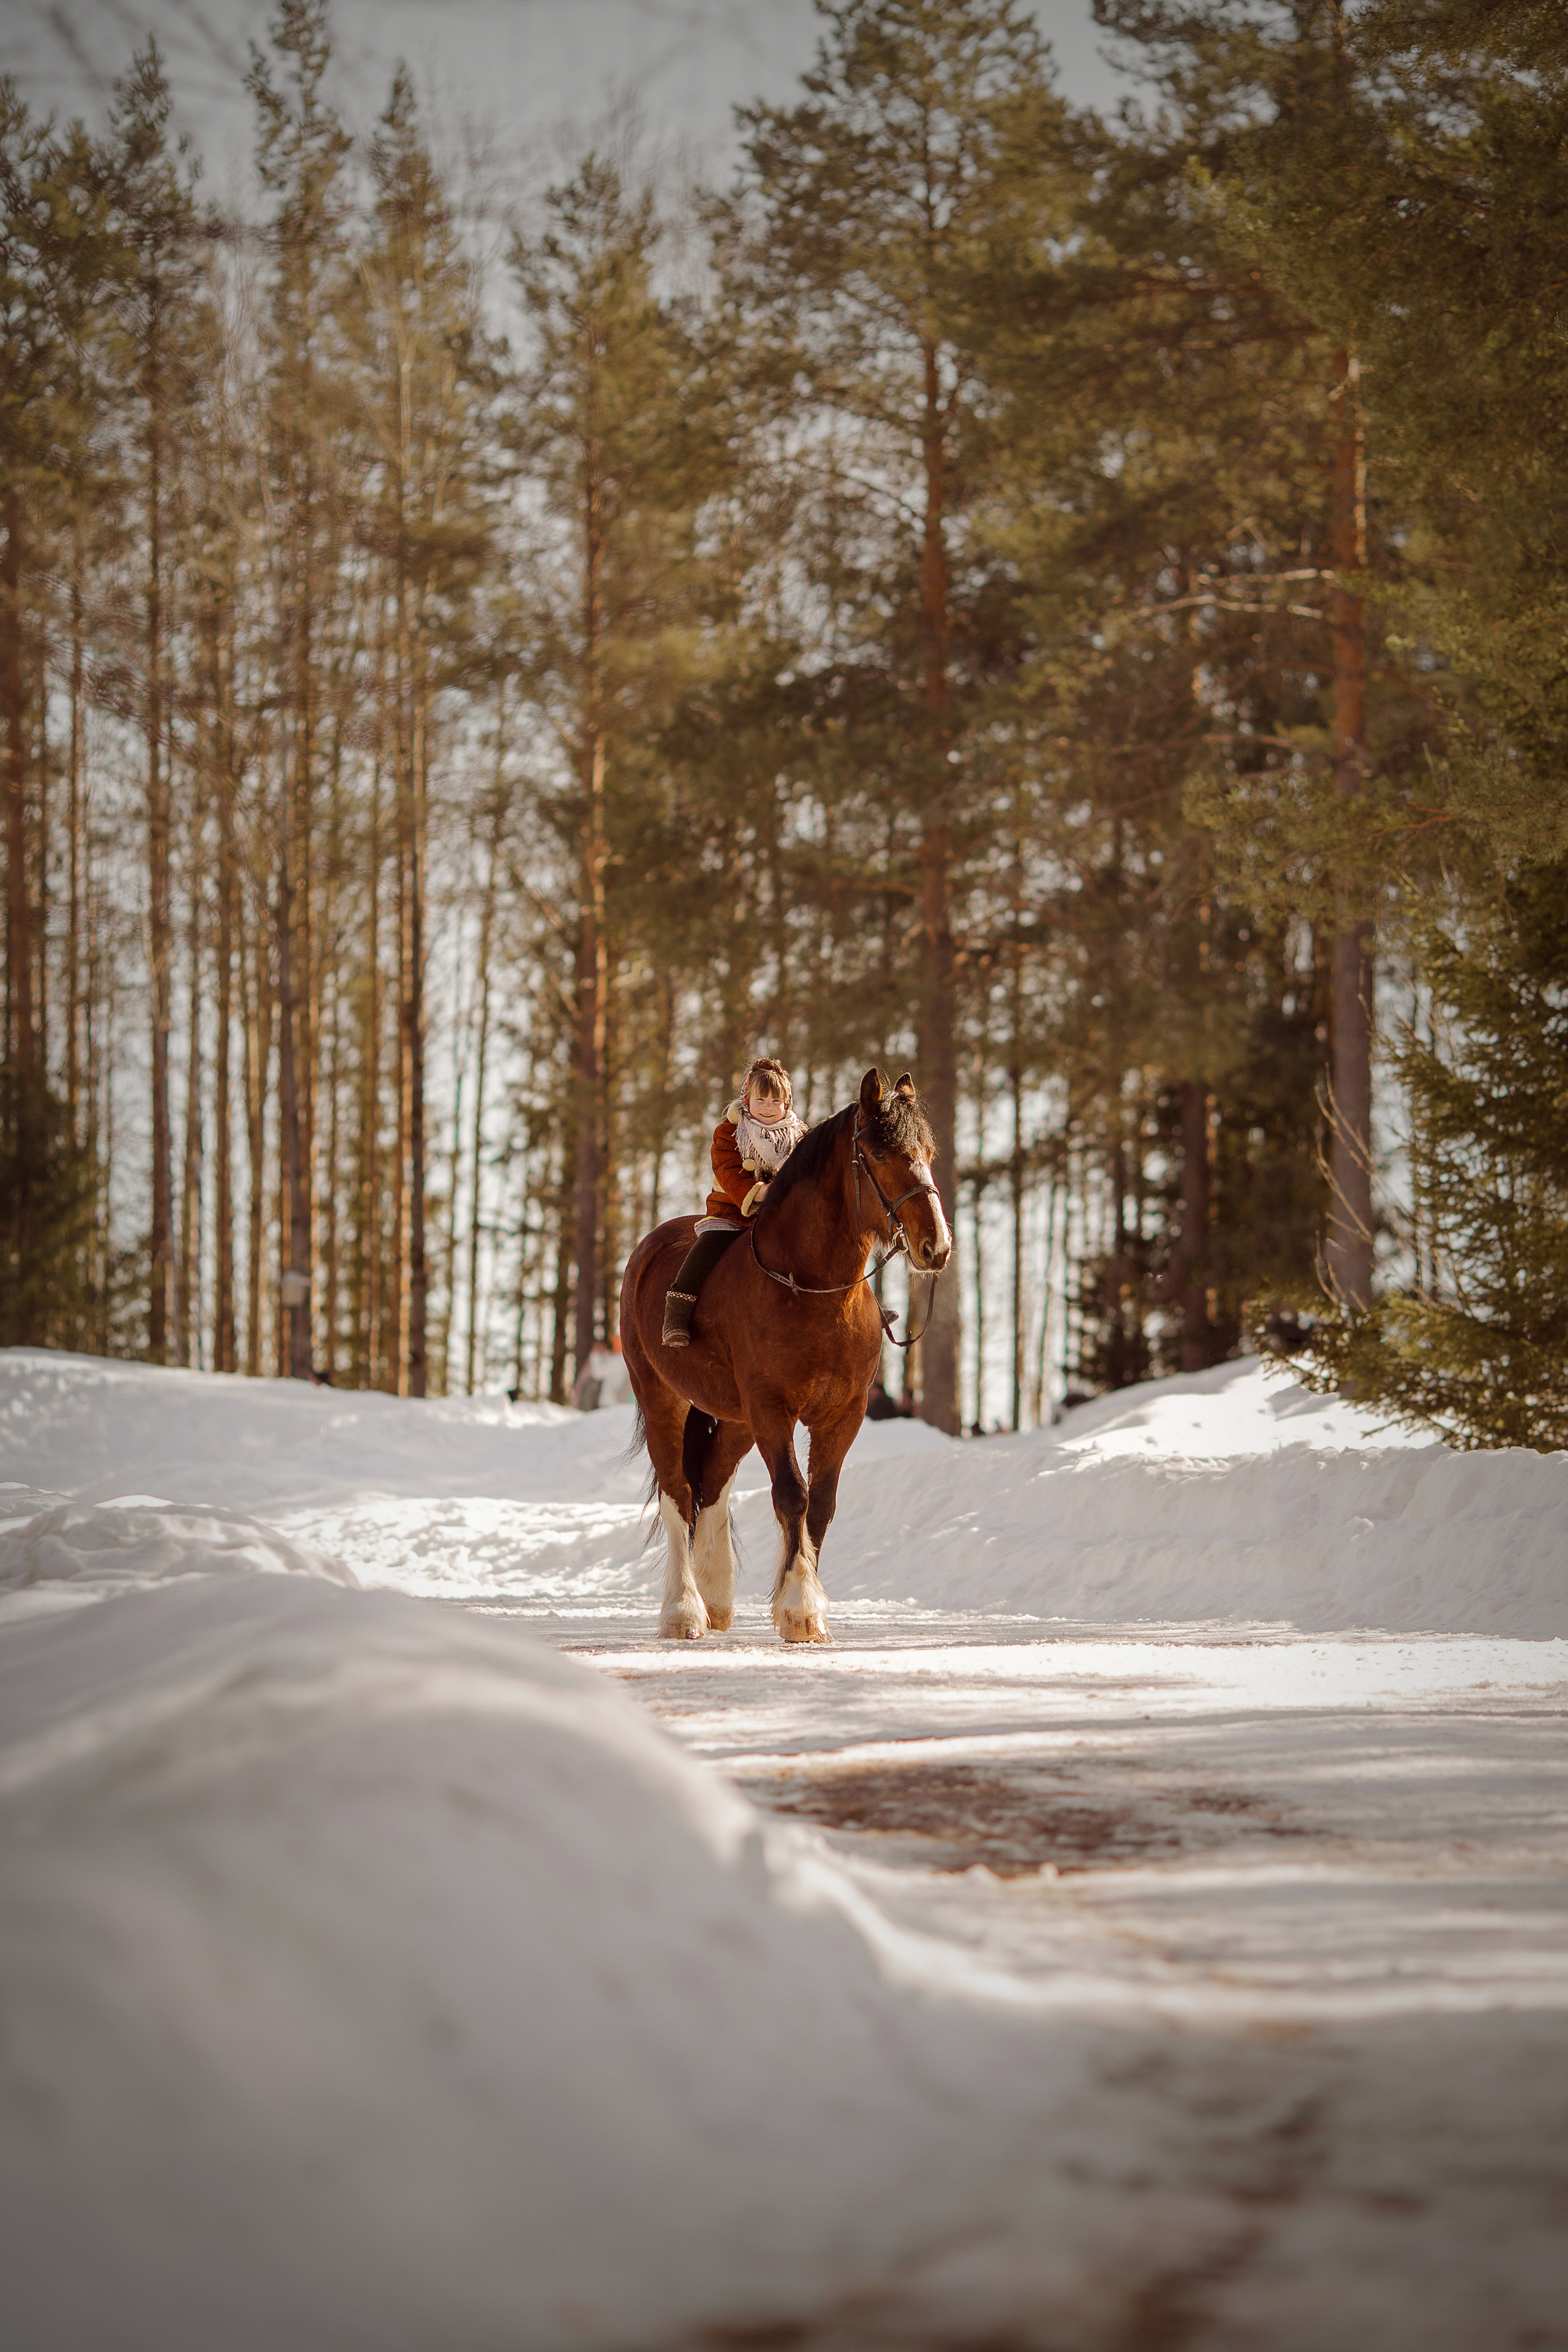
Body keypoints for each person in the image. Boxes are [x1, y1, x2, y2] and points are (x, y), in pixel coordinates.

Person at [662, 1057, 806, 1348]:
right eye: (761, 1099)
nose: (767, 1106)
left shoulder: (800, 1137)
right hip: (734, 1211)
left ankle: (867, 1303)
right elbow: (727, 1171)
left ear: (787, 1104)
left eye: (775, 1100)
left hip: (784, 1215)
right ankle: (677, 1311)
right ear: (746, 1099)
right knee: (709, 1246)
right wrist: (759, 1193)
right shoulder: (729, 1132)